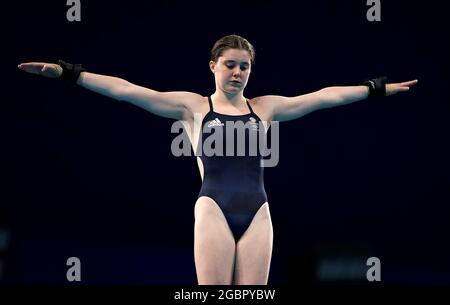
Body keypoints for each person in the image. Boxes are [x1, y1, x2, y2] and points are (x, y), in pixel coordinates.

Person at [17, 34, 418, 285]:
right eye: (230, 64)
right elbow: (125, 89)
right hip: (213, 208)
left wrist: (375, 89)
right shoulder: (192, 107)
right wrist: (68, 73)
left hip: (259, 211)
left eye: (245, 66)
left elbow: (325, 96)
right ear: (213, 66)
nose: (238, 72)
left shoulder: (266, 108)